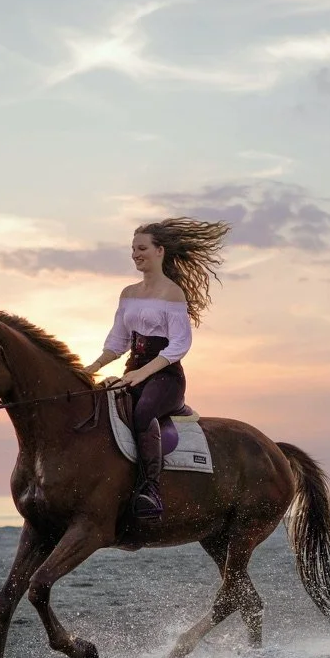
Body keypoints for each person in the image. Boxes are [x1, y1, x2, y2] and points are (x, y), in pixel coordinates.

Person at [85, 217, 230, 520]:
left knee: (142, 414)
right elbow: (119, 340)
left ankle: (150, 490)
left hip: (165, 377)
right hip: (131, 371)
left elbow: (179, 345)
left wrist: (143, 373)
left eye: (142, 248)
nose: (136, 254)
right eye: (133, 249)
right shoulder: (128, 293)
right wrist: (93, 367)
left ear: (160, 251)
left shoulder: (172, 294)